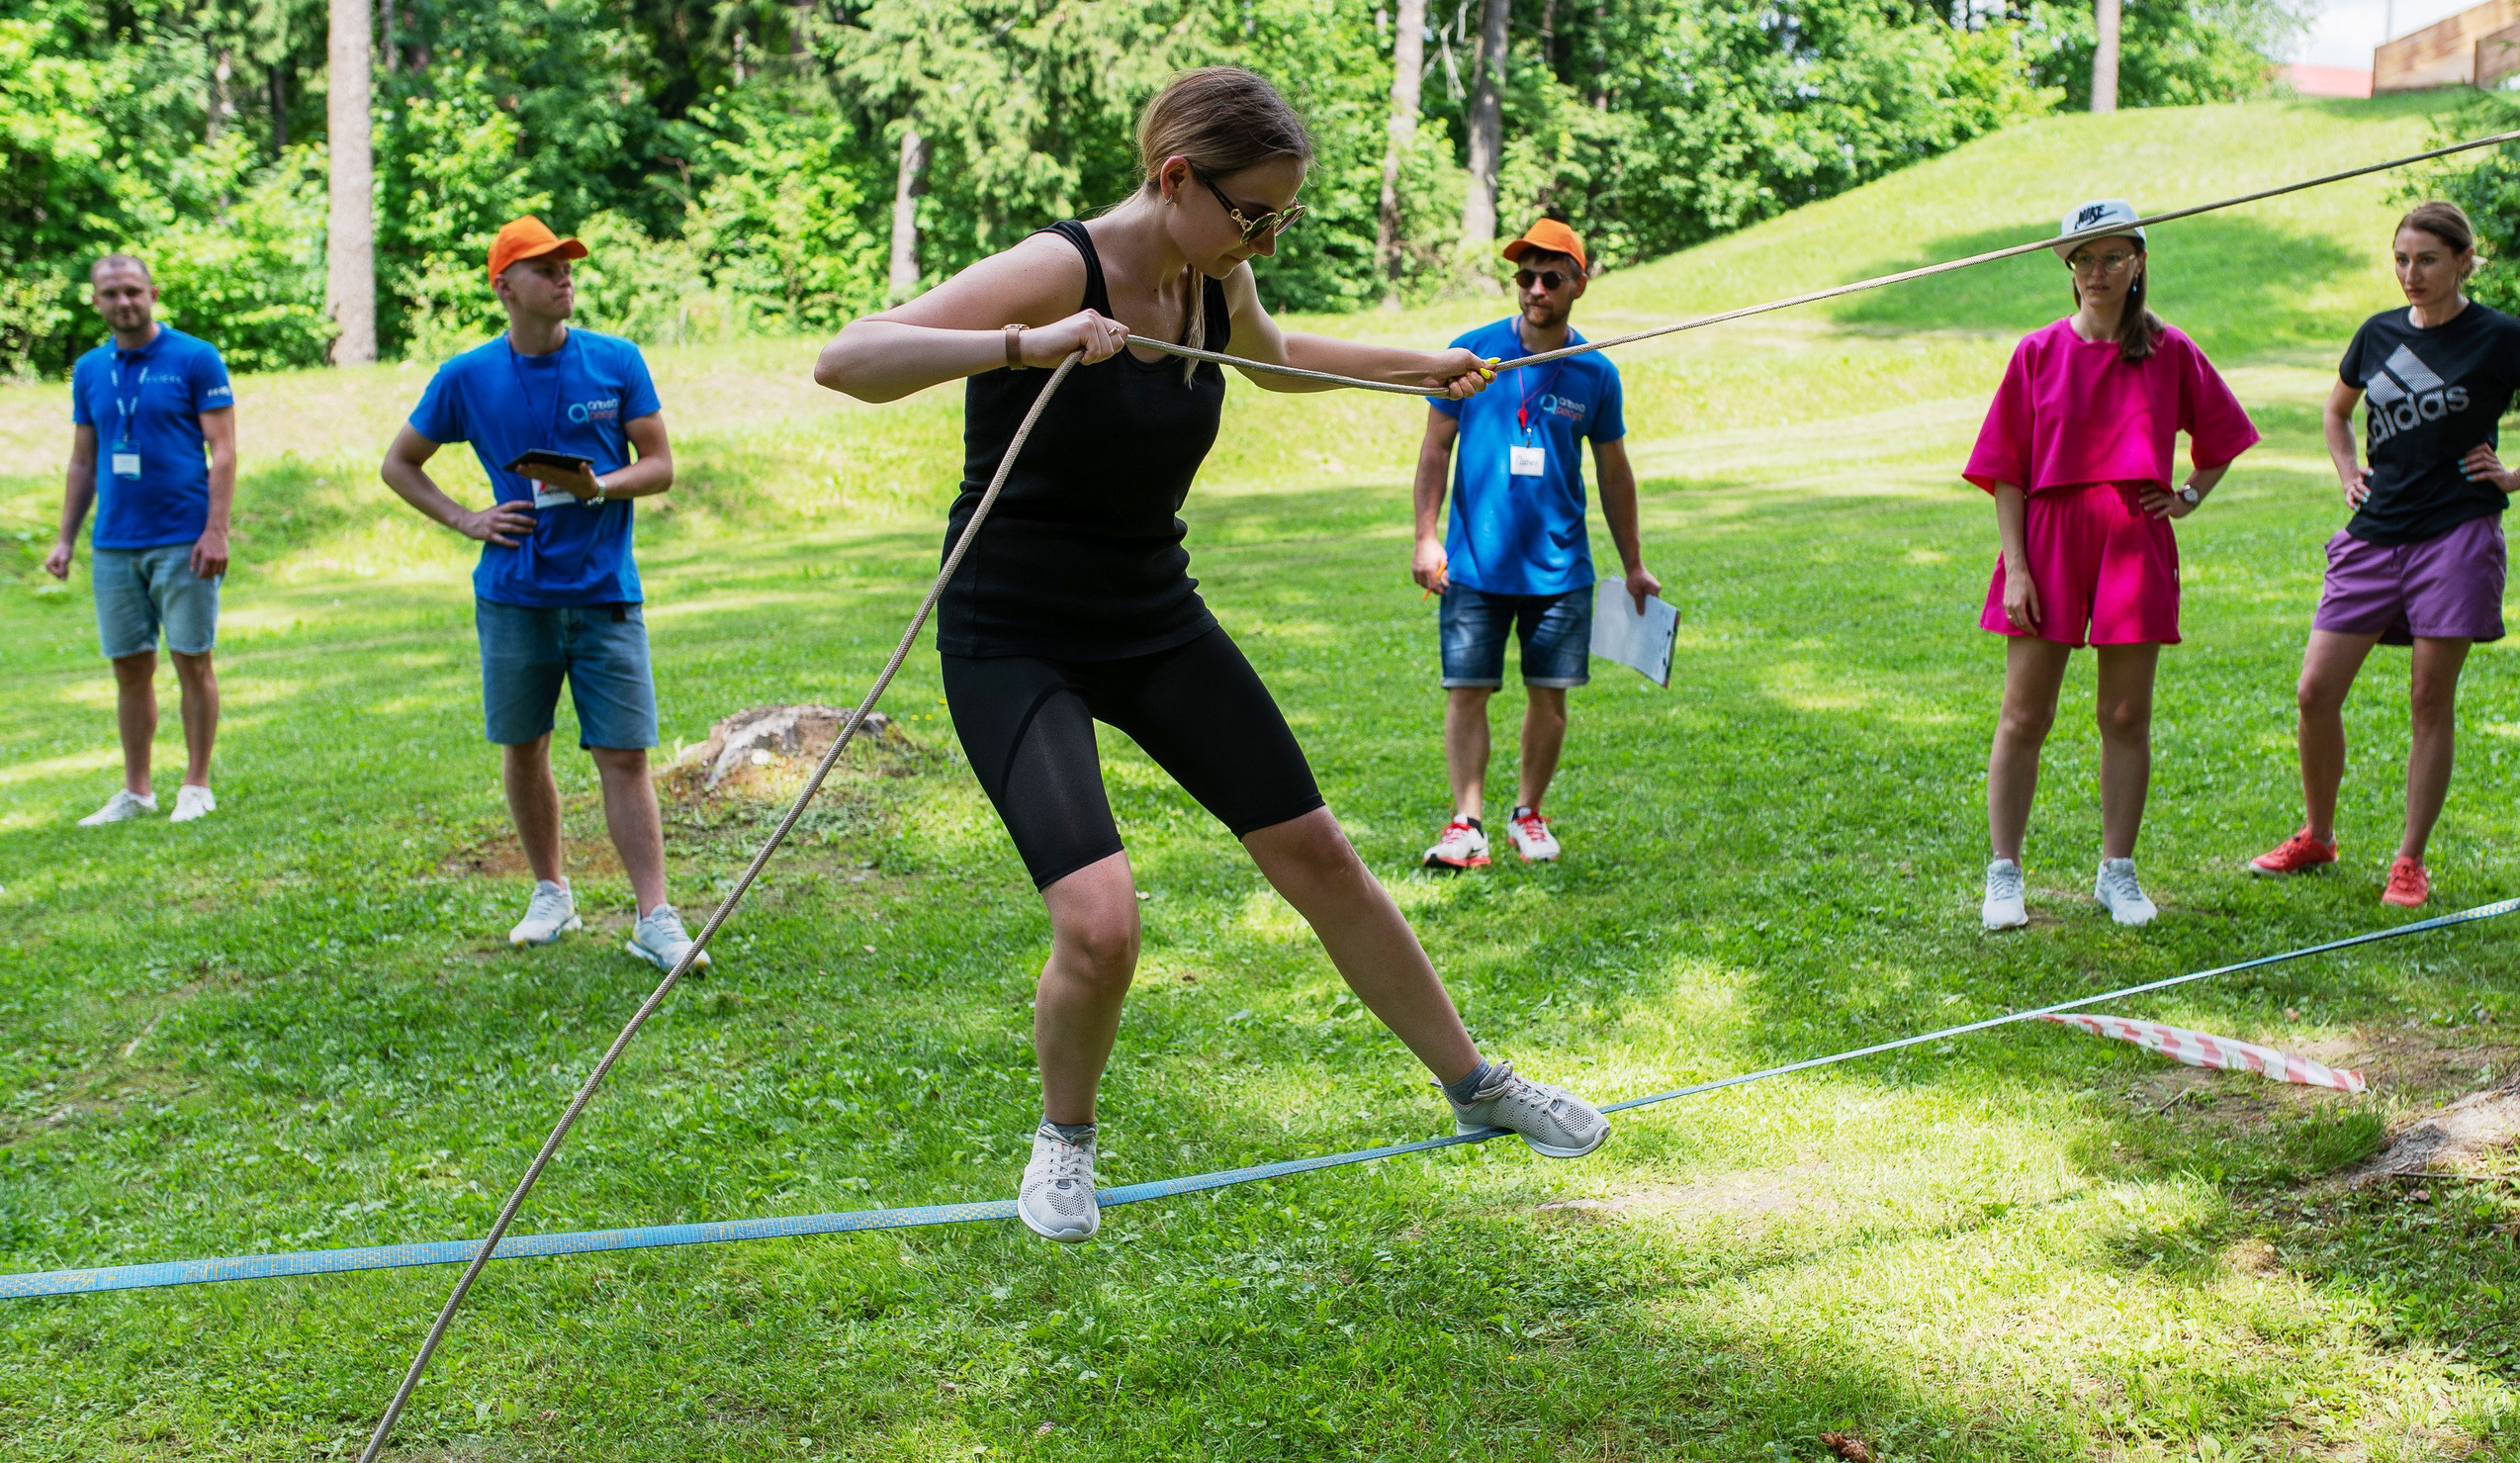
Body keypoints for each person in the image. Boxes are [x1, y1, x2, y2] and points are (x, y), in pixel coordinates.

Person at [813, 65, 1610, 1245]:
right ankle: (1064, 1141)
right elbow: (849, 358)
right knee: (1102, 920)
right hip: (1012, 629)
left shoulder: (1212, 272)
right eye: (1253, 215)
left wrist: (1418, 365)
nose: (1265, 240)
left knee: (1319, 852)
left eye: (1282, 218)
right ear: (1175, 177)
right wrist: (1027, 342)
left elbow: (1274, 360)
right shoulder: (1062, 266)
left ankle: (1474, 1082)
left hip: (1152, 612)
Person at [380, 218, 706, 974]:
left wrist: (600, 484)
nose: (564, 277)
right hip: (513, 595)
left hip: (604, 594)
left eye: (567, 265)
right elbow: (400, 464)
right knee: (524, 746)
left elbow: (657, 465)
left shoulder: (616, 361)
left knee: (624, 755)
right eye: (545, 267)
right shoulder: (465, 377)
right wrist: (467, 518)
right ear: (505, 287)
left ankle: (654, 917)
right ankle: (550, 891)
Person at [1966, 200, 2259, 932]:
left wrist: (2188, 494)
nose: (2096, 273)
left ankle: (2116, 872)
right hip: (2049, 536)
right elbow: (2005, 469)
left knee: (2125, 714)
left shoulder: (2170, 350)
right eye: (2082, 259)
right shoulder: (2037, 352)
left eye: (2111, 257)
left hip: (2134, 536)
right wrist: (2019, 568)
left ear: (2138, 263)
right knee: (2024, 712)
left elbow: (2220, 437)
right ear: (2069, 270)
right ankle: (2005, 873)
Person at [2248, 201, 2520, 907]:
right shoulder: (2376, 334)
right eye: (2402, 259)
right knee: (2315, 691)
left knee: (2429, 699)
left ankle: (2409, 860)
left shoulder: (2499, 336)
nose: (2411, 273)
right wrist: (2348, 472)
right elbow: (2337, 411)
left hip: (2457, 534)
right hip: (2375, 532)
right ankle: (2317, 835)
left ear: (2465, 261)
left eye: (2428, 260)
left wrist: (2518, 474)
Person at [1408, 218, 1658, 869]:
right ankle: (1466, 825)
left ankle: (1528, 814)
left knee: (1549, 698)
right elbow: (1436, 449)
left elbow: (1613, 471)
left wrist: (1634, 565)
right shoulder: (1470, 353)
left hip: (1560, 571)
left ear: (1580, 282)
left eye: (1551, 277)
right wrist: (1427, 537)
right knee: (1467, 693)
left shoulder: (1595, 374)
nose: (1536, 288)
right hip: (1473, 565)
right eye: (1526, 276)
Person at [43, 254, 235, 826]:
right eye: (110, 294)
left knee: (191, 659)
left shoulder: (195, 358)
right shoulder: (88, 370)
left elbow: (222, 450)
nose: (123, 302)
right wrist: (65, 540)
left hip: (183, 538)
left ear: (152, 293)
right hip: (114, 543)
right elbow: (83, 461)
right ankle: (137, 790)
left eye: (132, 291)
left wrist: (216, 529)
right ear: (95, 301)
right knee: (129, 668)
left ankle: (196, 785)